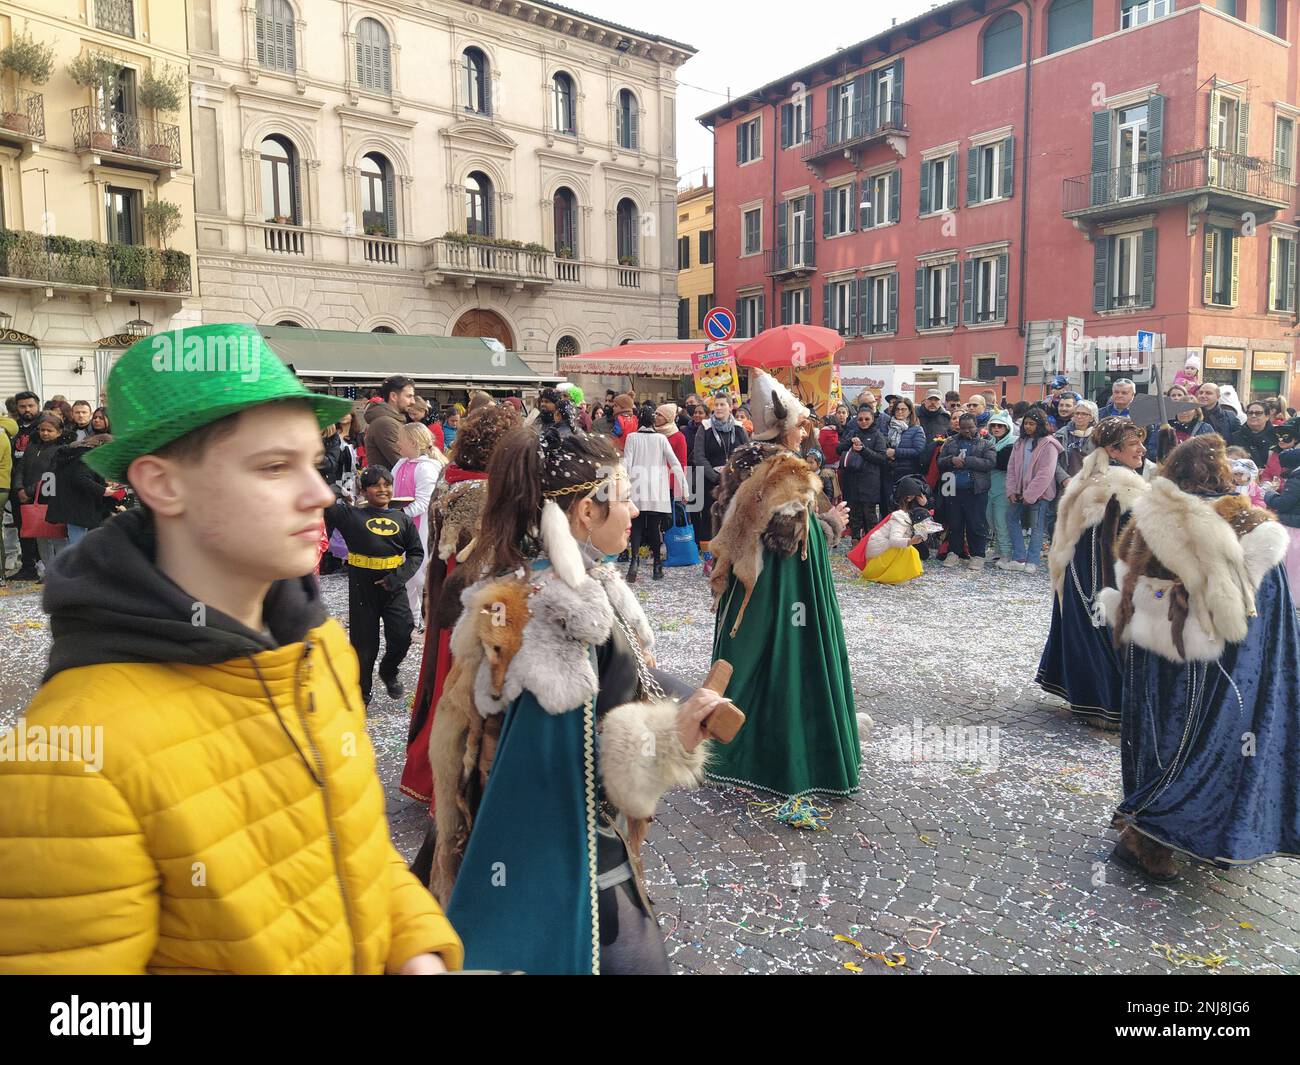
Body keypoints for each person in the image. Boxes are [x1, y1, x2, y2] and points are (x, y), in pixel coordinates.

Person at [0, 324, 460, 973]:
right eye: (274, 466)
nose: (323, 494)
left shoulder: (314, 645)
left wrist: (415, 950)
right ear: (162, 484)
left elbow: (349, 841)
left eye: (316, 463)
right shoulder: (73, 754)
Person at [439, 427, 724, 974]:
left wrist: (677, 692)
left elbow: (618, 679)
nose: (637, 509)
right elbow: (568, 774)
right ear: (586, 513)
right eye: (624, 495)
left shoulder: (546, 585)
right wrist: (674, 737)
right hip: (575, 862)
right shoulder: (558, 617)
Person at [1098, 435, 1299, 882]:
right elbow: (1268, 619)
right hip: (1222, 664)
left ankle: (1148, 827)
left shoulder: (1152, 518)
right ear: (1224, 474)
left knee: (1160, 740)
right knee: (1214, 741)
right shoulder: (1249, 526)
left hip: (1156, 659)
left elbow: (1131, 585)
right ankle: (1161, 831)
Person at [706, 372, 859, 799]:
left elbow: (732, 520)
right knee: (789, 655)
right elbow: (787, 539)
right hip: (786, 585)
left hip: (744, 578)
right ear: (786, 425)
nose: (805, 429)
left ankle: (725, 740)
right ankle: (779, 755)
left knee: (747, 652)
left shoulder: (740, 460)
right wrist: (830, 524)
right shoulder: (787, 469)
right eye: (801, 423)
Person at [401, 403, 519, 816]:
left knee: (446, 686)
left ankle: (432, 775)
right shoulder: (489, 492)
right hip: (477, 608)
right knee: (468, 692)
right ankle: (458, 785)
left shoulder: (449, 483)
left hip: (450, 604)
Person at [1037, 419, 1149, 730]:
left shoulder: (1093, 479)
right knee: (1105, 637)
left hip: (1083, 575)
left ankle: (1093, 700)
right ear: (1113, 450)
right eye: (1134, 444)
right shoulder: (1113, 487)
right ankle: (1107, 705)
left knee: (1092, 632)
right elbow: (1104, 542)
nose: (1142, 449)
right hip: (1097, 577)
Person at [324, 465, 424, 705]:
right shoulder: (350, 516)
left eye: (387, 484)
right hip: (362, 587)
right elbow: (325, 500)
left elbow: (416, 553)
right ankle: (362, 691)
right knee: (364, 644)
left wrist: (397, 578)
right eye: (375, 485)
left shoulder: (403, 519)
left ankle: (389, 671)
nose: (383, 489)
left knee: (402, 635)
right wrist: (340, 490)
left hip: (393, 585)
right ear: (364, 490)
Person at [622, 403, 685, 582]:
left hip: (637, 488)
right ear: (652, 421)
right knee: (655, 528)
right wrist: (685, 488)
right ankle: (657, 566)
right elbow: (675, 463)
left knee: (637, 526)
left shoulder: (632, 438)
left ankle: (634, 563)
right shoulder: (661, 439)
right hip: (657, 490)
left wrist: (620, 484)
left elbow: (627, 462)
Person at [391, 421, 447, 621]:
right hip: (402, 529)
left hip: (420, 528)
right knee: (406, 575)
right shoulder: (400, 464)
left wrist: (400, 514)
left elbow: (424, 502)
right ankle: (412, 618)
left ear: (413, 442)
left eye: (401, 439)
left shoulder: (427, 468)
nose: (397, 443)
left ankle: (427, 618)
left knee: (419, 574)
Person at [1002, 406, 1064, 574]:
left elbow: (1046, 472)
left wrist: (1031, 494)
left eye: (1032, 424)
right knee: (1011, 517)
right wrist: (1012, 490)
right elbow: (1012, 468)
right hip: (1019, 491)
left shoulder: (1049, 444)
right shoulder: (1020, 442)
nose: (1028, 427)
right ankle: (1020, 557)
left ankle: (1033, 560)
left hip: (1040, 493)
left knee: (1037, 527)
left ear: (1040, 425)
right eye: (1026, 423)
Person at [849, 476, 936, 585]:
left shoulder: (906, 515)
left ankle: (894, 574)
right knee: (909, 551)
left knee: (911, 550)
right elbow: (894, 540)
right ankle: (888, 575)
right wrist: (910, 541)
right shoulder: (900, 518)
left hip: (879, 552)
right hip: (877, 556)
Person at [936, 412, 996, 569]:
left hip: (975, 490)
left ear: (976, 426)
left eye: (970, 427)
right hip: (952, 488)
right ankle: (953, 552)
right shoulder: (950, 442)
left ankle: (977, 555)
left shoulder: (986, 443)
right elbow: (940, 462)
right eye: (963, 428)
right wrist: (951, 460)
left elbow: (989, 463)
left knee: (976, 523)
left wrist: (968, 461)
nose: (967, 431)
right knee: (955, 522)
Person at [692, 391, 749, 540]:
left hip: (733, 482)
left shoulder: (738, 428)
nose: (718, 408)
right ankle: (708, 554)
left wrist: (734, 475)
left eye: (722, 404)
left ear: (730, 407)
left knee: (731, 515)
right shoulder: (705, 427)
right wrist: (715, 476)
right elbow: (699, 456)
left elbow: (746, 454)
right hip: (710, 482)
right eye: (716, 405)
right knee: (710, 517)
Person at [19, 411, 71, 573]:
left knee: (57, 536)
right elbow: (20, 469)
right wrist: (19, 488)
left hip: (51, 498)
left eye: (49, 430)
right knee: (40, 536)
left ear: (59, 432)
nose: (45, 433)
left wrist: (29, 491)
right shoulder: (32, 447)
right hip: (31, 497)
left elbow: (51, 475)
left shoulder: (61, 450)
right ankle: (49, 572)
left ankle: (63, 571)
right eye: (42, 430)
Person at [45, 432, 117, 544]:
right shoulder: (87, 457)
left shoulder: (77, 454)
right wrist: (104, 491)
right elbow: (80, 478)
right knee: (76, 544)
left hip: (72, 504)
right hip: (77, 507)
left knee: (74, 541)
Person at [1263, 417, 1300, 603]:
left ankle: (1292, 599)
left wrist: (1268, 495)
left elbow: (1285, 502)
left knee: (1292, 569)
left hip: (1294, 528)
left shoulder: (1296, 478)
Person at [838, 406, 887, 541]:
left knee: (870, 516)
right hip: (852, 481)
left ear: (872, 419)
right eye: (860, 419)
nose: (863, 422)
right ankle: (855, 542)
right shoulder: (852, 433)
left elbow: (882, 458)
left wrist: (863, 450)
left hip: (870, 481)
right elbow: (838, 449)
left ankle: (873, 544)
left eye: (867, 419)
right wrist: (850, 441)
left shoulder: (878, 435)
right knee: (854, 515)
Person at [8, 390, 41, 581]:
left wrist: (28, 489)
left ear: (37, 405)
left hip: (38, 486)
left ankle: (45, 564)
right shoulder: (14, 428)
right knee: (22, 528)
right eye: (23, 406)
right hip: (16, 486)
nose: (27, 409)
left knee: (43, 529)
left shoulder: (45, 426)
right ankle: (28, 566)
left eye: (30, 405)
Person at [364, 374, 417, 470]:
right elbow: (402, 462)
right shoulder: (385, 423)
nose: (413, 401)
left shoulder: (391, 420)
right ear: (393, 396)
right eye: (409, 396)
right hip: (389, 483)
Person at [883, 397, 926, 507]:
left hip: (907, 473)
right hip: (888, 471)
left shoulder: (916, 429)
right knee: (888, 505)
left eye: (903, 409)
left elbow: (918, 450)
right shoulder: (887, 427)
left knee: (904, 507)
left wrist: (895, 452)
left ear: (910, 411)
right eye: (897, 409)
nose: (900, 412)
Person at [986, 410, 1017, 561]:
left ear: (1007, 427)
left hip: (1004, 489)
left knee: (1001, 522)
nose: (996, 428)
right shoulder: (990, 442)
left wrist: (985, 461)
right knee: (991, 520)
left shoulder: (1012, 443)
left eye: (1000, 426)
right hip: (991, 488)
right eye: (994, 425)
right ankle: (998, 550)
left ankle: (1005, 552)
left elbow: (1002, 463)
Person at [1055, 399, 1098, 480]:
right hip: (1067, 484)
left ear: (1092, 418)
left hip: (1091, 484)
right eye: (1077, 413)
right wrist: (1064, 479)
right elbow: (1054, 461)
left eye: (1084, 414)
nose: (1079, 416)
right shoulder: (1061, 435)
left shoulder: (1098, 436)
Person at [1231, 400, 1276, 470]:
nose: (1253, 416)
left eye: (1258, 413)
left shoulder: (1276, 436)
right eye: (1250, 413)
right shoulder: (1235, 437)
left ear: (1267, 416)